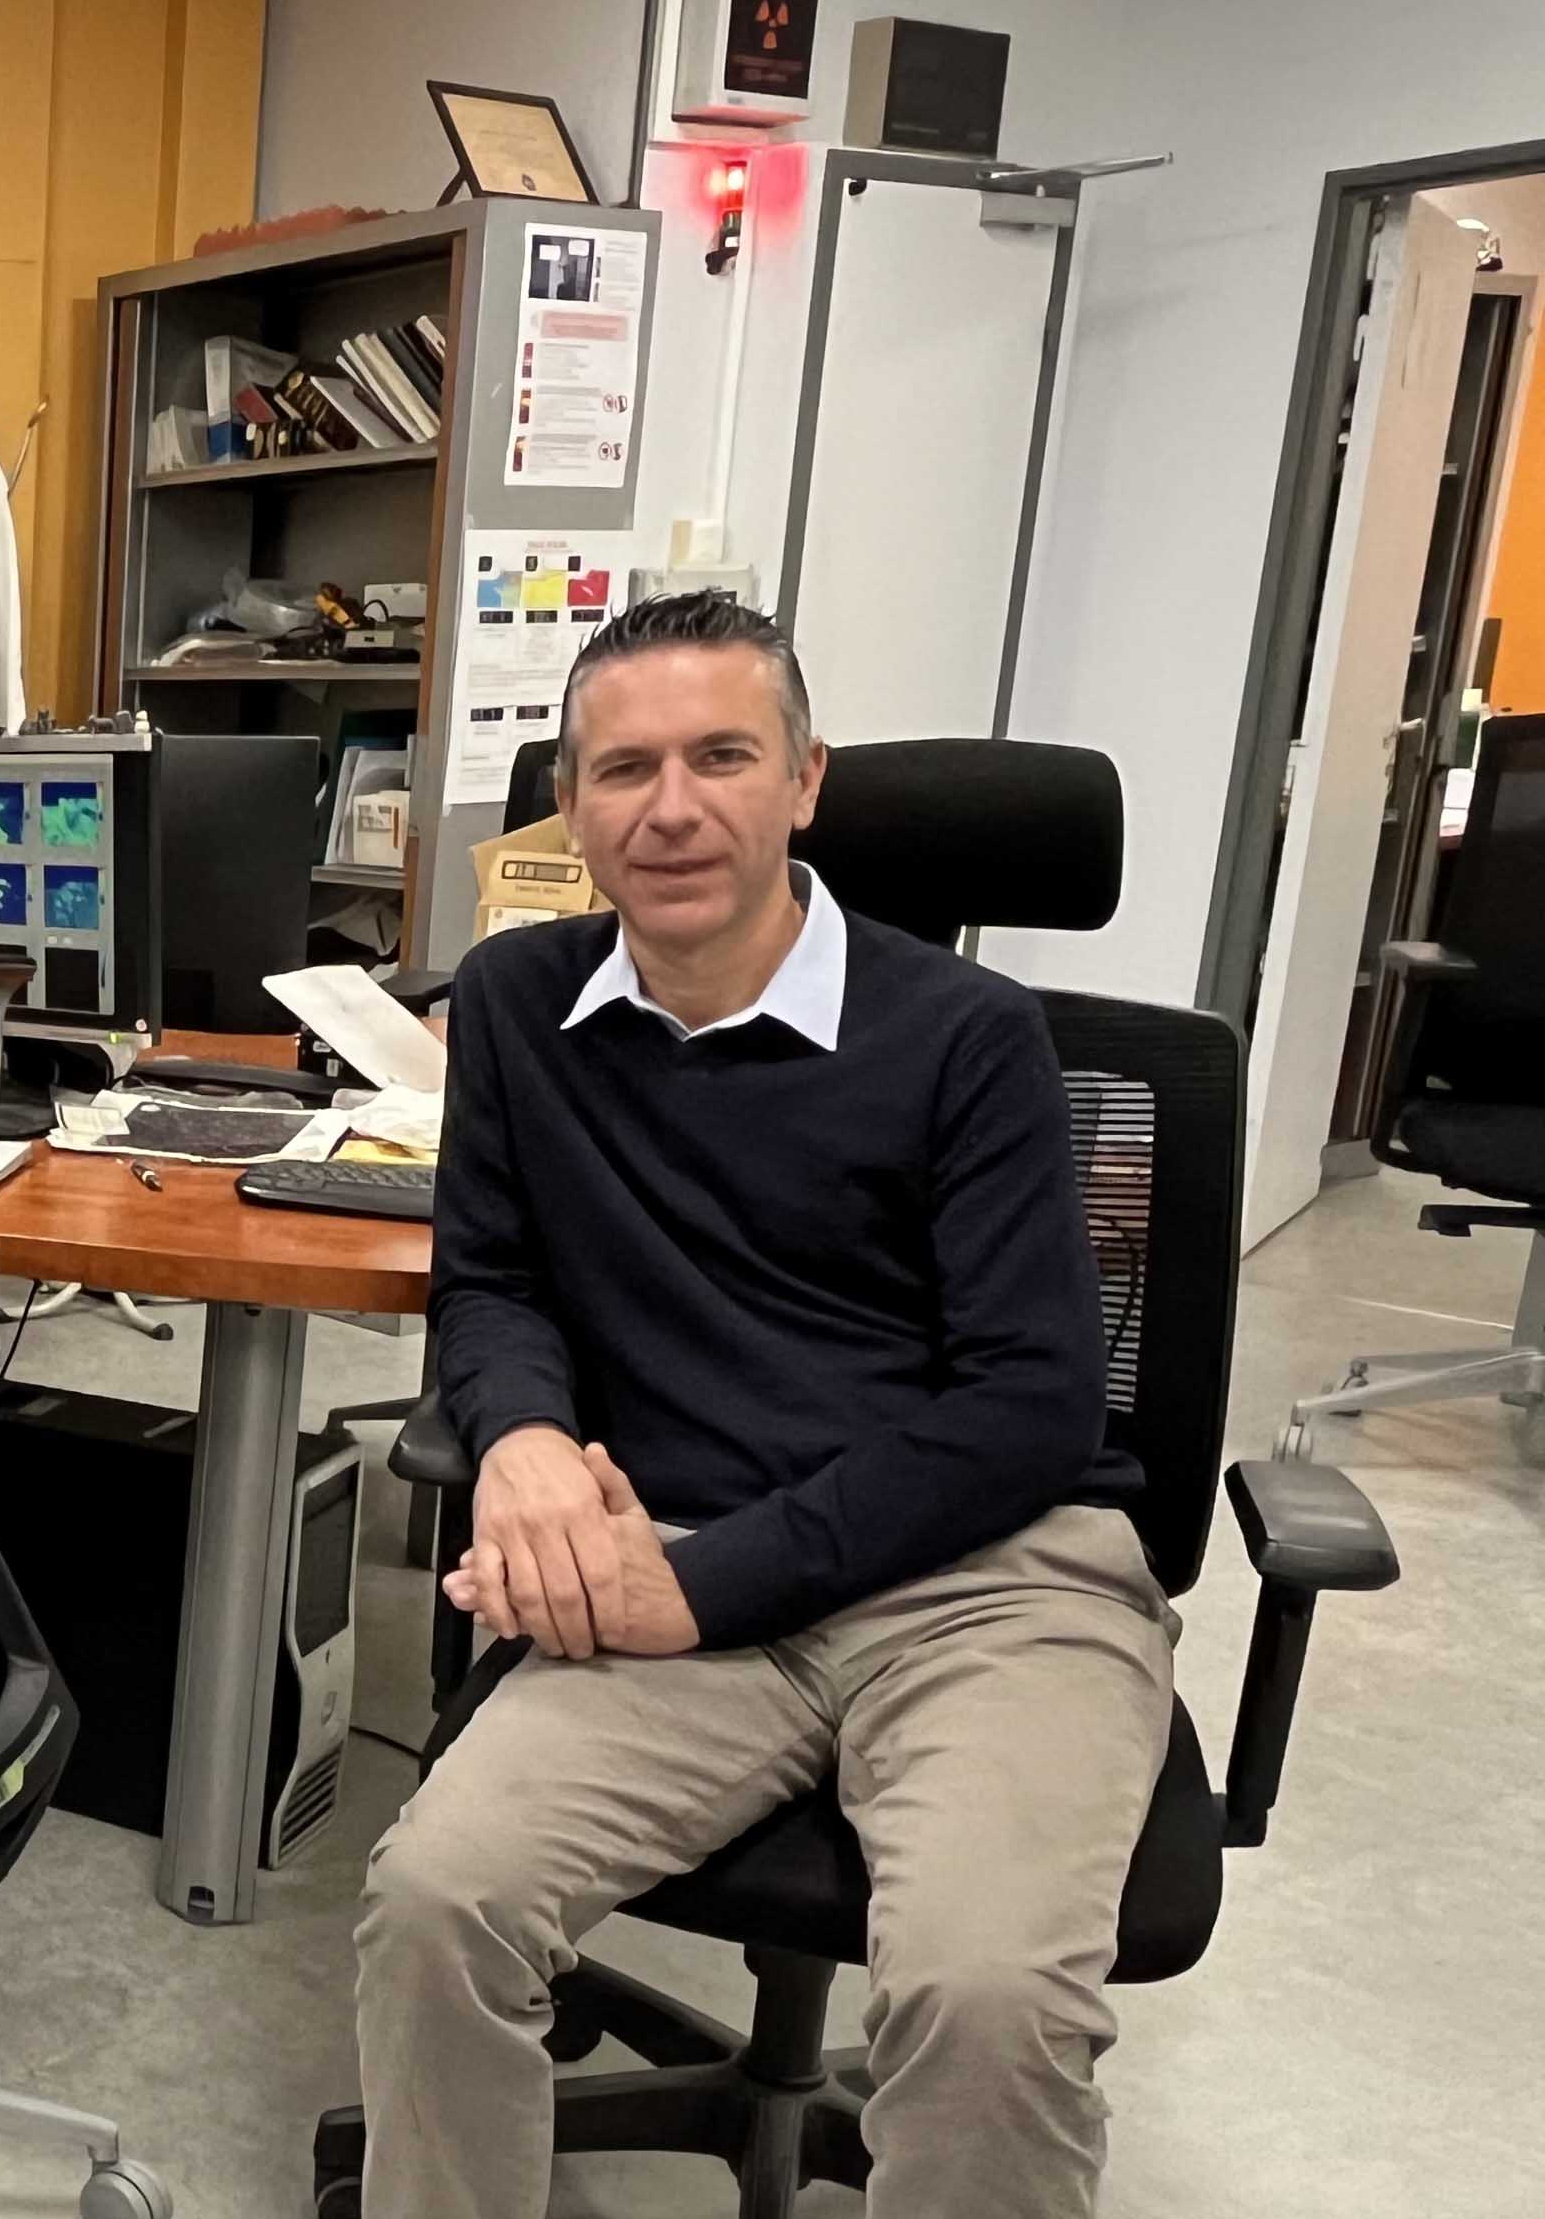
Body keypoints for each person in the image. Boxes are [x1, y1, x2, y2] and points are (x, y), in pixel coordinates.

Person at [351, 593, 1172, 2219]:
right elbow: (492, 1279)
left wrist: (696, 1581)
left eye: (720, 754)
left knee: (988, 1996)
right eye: (621, 767)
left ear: (804, 778)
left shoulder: (970, 1037)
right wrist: (516, 1438)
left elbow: (1028, 1406)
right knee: (437, 1897)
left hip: (979, 1576)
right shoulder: (517, 1003)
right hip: (673, 1545)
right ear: (569, 811)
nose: (669, 805)